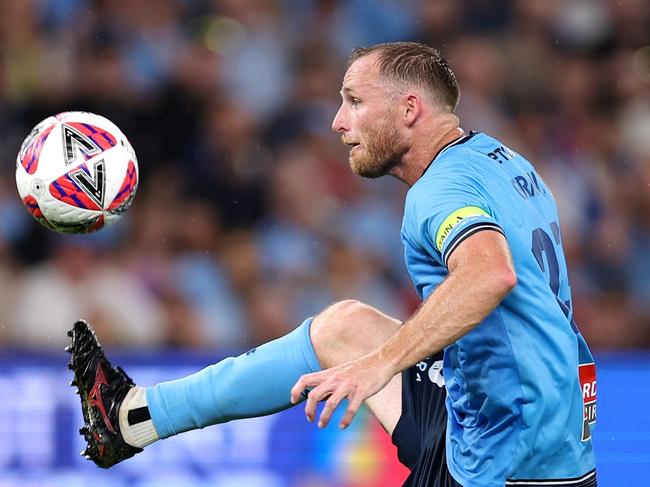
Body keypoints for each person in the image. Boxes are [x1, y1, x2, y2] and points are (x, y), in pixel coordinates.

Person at [68, 42, 597, 487]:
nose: (338, 121)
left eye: (354, 101)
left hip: (508, 458)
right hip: (549, 416)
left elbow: (490, 273)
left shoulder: (438, 191)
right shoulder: (499, 158)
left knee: (366, 348)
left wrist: (379, 365)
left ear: (409, 110)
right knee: (344, 327)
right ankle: (133, 417)